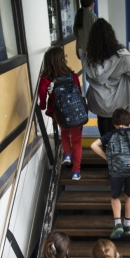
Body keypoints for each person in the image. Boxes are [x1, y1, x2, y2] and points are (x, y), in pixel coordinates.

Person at [90, 108, 130, 239]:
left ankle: (117, 224)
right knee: (129, 195)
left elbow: (94, 145)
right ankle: (127, 224)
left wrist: (108, 159)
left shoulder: (111, 134)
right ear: (129, 121)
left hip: (116, 170)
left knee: (115, 196)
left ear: (114, 123)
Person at [85, 18, 130, 137]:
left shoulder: (90, 59)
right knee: (119, 126)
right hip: (118, 100)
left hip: (99, 101)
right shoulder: (122, 57)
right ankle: (118, 149)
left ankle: (106, 148)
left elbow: (89, 77)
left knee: (103, 122)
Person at [39, 46, 83, 180]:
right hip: (75, 113)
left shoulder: (46, 79)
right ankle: (76, 171)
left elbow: (42, 96)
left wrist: (43, 105)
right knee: (77, 140)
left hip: (59, 114)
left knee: (64, 132)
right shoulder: (72, 75)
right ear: (62, 60)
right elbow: (79, 93)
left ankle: (67, 154)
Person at [73, 0, 97, 96]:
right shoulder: (92, 16)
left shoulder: (78, 15)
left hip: (80, 48)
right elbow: (96, 34)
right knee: (94, 71)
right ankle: (93, 94)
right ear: (91, 4)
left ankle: (85, 95)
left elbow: (75, 33)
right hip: (90, 49)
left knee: (85, 71)